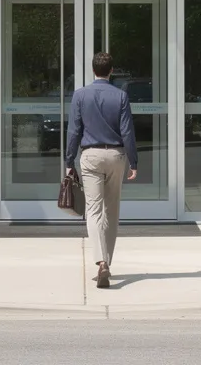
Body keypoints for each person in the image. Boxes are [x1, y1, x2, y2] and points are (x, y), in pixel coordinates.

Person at [65, 52, 137, 289]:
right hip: (116, 155)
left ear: (93, 70)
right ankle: (107, 261)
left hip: (91, 156)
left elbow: (74, 131)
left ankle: (101, 261)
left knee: (93, 210)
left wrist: (68, 161)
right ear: (111, 70)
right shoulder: (121, 96)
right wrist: (134, 161)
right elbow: (127, 131)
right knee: (111, 211)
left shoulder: (80, 95)